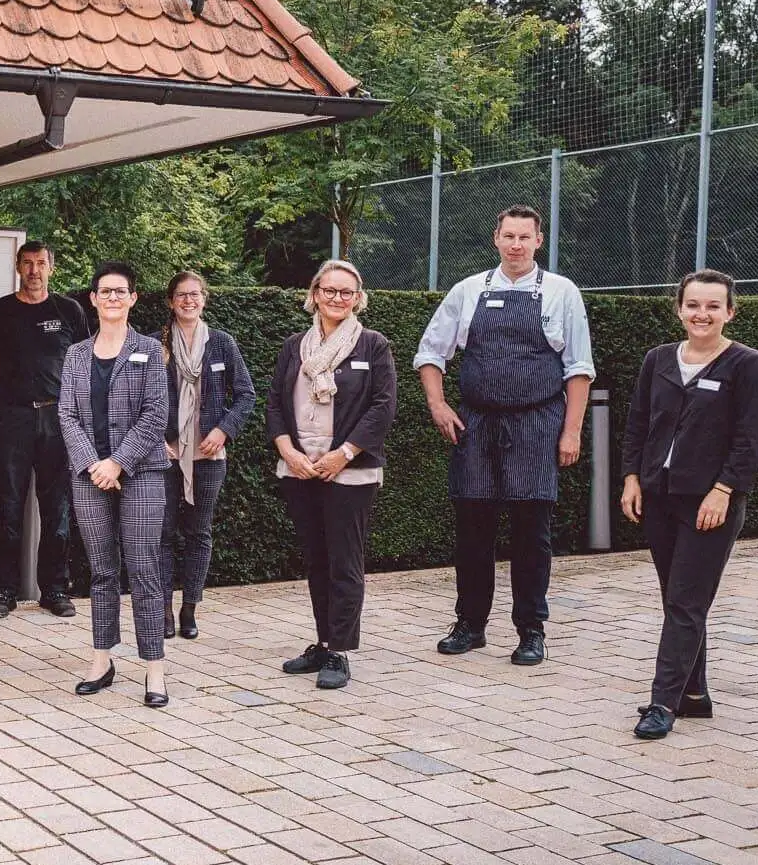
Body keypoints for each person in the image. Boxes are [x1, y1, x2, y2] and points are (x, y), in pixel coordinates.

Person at [414, 205, 593, 667]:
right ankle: (470, 625)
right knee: (473, 531)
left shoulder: (561, 292)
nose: (516, 245)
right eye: (508, 236)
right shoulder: (468, 290)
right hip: (476, 425)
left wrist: (571, 431)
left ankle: (531, 630)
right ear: (495, 238)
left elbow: (578, 368)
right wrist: (438, 404)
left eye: (524, 237)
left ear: (538, 242)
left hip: (538, 423)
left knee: (532, 534)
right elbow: (430, 352)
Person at [620, 271, 758, 740]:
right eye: (692, 305)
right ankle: (694, 694)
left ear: (730, 312)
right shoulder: (658, 359)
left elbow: (752, 440)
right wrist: (631, 478)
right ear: (679, 309)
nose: (701, 314)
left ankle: (662, 703)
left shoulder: (746, 365)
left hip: (710, 502)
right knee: (679, 600)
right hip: (658, 497)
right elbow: (638, 423)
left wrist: (724, 490)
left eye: (712, 306)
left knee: (685, 601)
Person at [270, 260, 398, 691]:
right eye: (330, 291)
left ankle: (340, 652)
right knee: (316, 560)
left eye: (347, 292)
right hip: (300, 468)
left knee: (345, 562)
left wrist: (343, 454)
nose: (337, 299)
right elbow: (274, 404)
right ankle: (324, 641)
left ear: (358, 298)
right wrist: (287, 450)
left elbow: (383, 407)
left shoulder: (372, 345)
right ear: (315, 293)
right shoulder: (294, 346)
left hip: (350, 471)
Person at [60, 261, 172, 706]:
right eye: (104, 291)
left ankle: (154, 670)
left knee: (143, 569)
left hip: (141, 474)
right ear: (93, 299)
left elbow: (155, 416)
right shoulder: (75, 355)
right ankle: (101, 659)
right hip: (90, 477)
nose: (111, 298)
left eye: (120, 292)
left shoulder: (149, 350)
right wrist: (93, 464)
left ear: (133, 298)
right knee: (103, 571)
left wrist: (118, 463)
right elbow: (66, 414)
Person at [0, 240, 87, 620]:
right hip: (13, 417)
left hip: (58, 419)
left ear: (51, 268)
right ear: (17, 267)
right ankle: (4, 592)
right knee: (8, 507)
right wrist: (14, 394)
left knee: (57, 509)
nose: (34, 270)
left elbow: (82, 366)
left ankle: (54, 589)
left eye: (41, 263)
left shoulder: (69, 310)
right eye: (27, 263)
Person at [158, 271, 256, 639]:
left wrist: (222, 430)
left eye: (195, 294)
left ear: (204, 299)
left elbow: (246, 395)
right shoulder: (156, 345)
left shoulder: (222, 343)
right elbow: (140, 401)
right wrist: (156, 441)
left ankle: (190, 610)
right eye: (181, 295)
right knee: (163, 534)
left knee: (199, 533)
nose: (188, 301)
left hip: (208, 457)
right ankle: (164, 610)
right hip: (164, 455)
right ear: (171, 301)